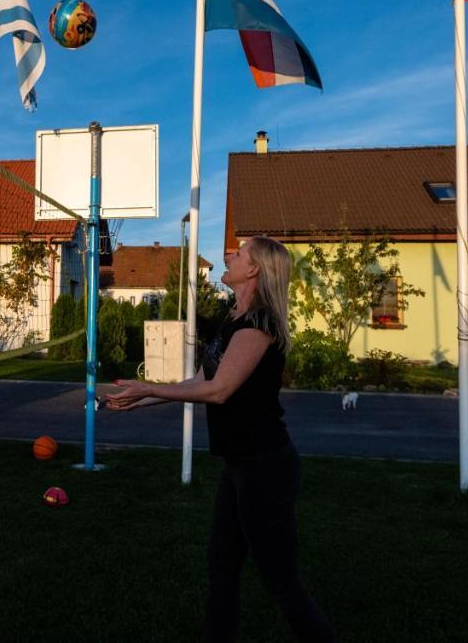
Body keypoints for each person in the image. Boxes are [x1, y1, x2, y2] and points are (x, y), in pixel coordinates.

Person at [105, 236, 335, 642]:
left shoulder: (259, 323)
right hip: (239, 465)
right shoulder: (233, 318)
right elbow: (201, 381)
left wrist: (148, 389)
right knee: (222, 568)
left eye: (239, 254)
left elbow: (219, 390)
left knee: (282, 584)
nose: (229, 255)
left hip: (266, 467)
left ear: (255, 270)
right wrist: (142, 398)